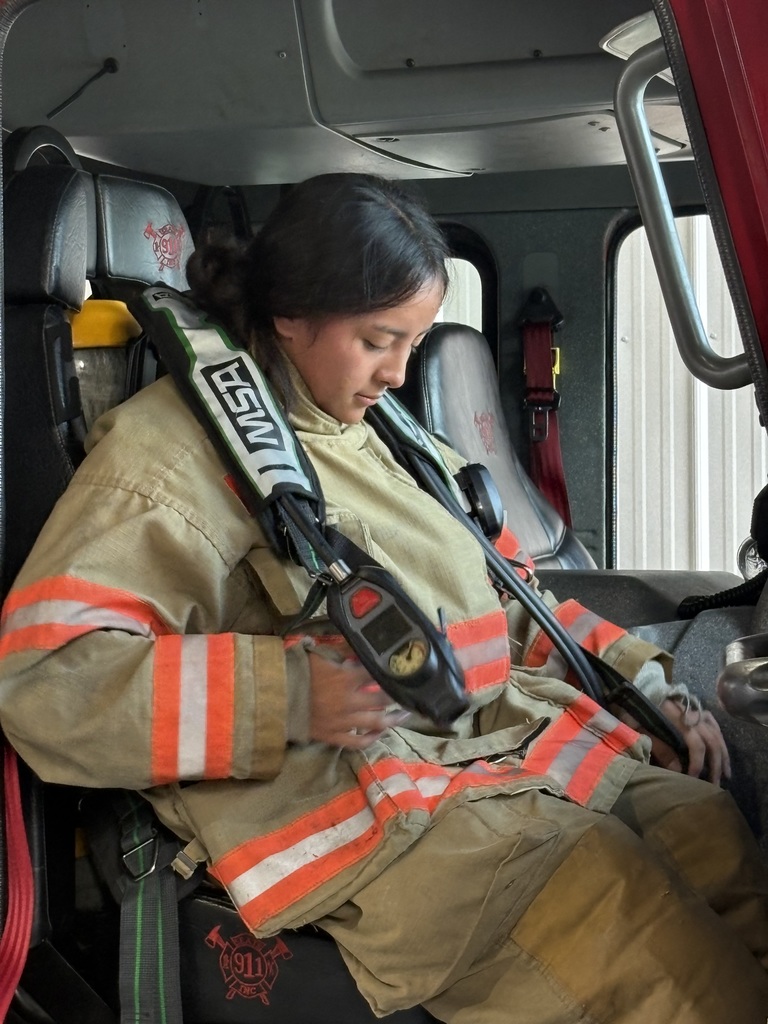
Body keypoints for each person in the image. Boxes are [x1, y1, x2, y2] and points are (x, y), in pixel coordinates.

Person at [0, 172, 766, 1023]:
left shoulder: (383, 437)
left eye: (415, 341)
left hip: (495, 756)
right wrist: (290, 693)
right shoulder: (172, 460)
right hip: (370, 815)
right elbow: (47, 684)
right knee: (619, 901)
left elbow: (514, 596)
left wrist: (649, 690)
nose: (399, 373)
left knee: (705, 828)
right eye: (377, 340)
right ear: (290, 315)